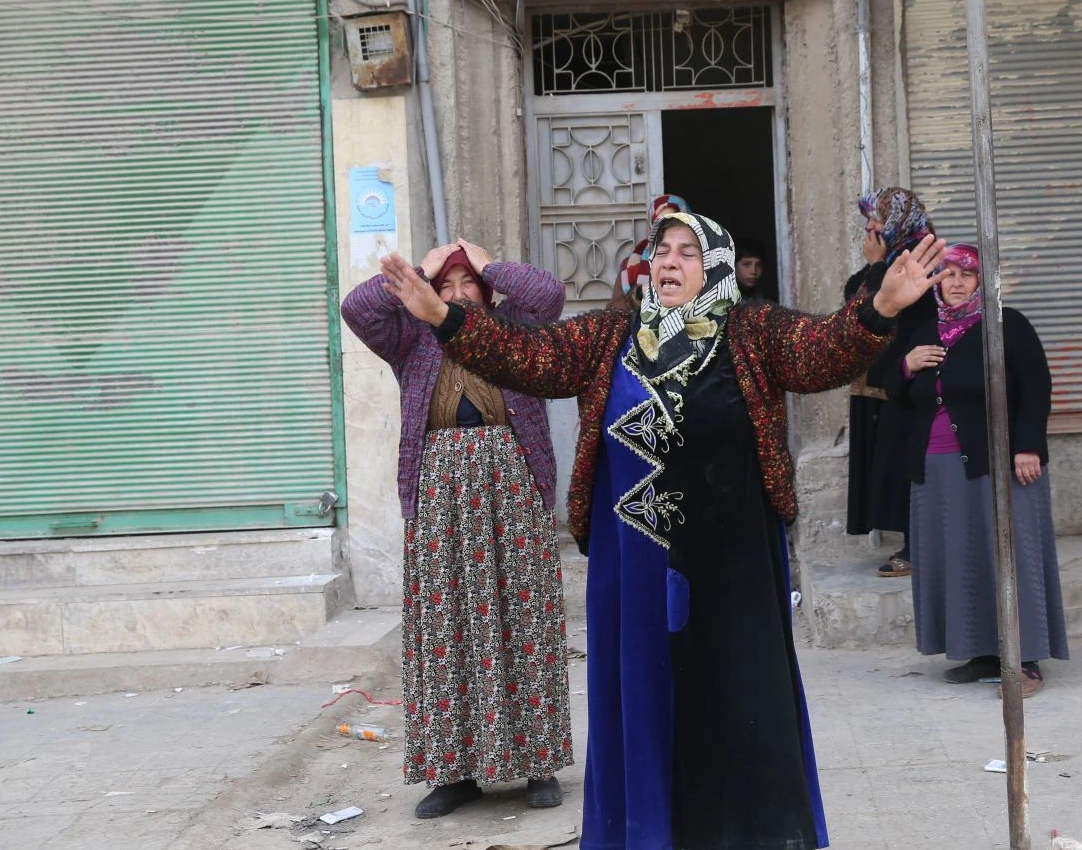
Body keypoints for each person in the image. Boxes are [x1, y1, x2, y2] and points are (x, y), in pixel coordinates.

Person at [377, 212, 948, 850]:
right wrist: (444, 317)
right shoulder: (612, 335)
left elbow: (820, 352)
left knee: (739, 705)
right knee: (644, 703)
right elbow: (527, 356)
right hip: (634, 564)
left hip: (734, 565)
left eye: (687, 252)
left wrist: (877, 310)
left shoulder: (752, 329)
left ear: (717, 266)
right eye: (661, 252)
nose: (670, 263)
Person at [339, 241, 574, 818]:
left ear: (487, 291)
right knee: (445, 628)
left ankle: (537, 763)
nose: (455, 292)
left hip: (513, 485)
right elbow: (356, 308)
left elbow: (549, 293)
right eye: (446, 285)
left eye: (465, 282)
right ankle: (455, 772)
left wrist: (484, 261)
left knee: (525, 621)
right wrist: (421, 272)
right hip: (439, 492)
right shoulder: (409, 339)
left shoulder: (512, 328)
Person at [886, 243, 1067, 697]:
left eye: (965, 274)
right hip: (936, 466)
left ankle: (1025, 661)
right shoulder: (925, 329)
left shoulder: (1008, 326)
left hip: (998, 461)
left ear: (982, 280)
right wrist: (906, 368)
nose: (955, 282)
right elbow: (896, 394)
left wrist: (1028, 447)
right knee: (960, 559)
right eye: (946, 275)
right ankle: (981, 652)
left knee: (1010, 555)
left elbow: (1036, 388)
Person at [845, 186, 934, 577]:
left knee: (909, 460)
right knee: (889, 462)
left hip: (912, 378)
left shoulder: (920, 260)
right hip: (882, 377)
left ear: (898, 222)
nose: (870, 227)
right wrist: (877, 264)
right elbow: (856, 300)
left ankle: (919, 548)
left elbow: (884, 302)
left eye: (877, 219)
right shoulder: (893, 256)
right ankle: (913, 544)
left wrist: (878, 264)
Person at [609, 193, 691, 311]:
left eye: (673, 220)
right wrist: (638, 294)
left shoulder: (702, 259)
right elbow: (613, 311)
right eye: (659, 221)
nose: (665, 227)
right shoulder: (633, 264)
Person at [735, 238, 770, 302]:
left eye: (758, 265)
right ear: (733, 266)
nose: (753, 271)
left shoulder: (761, 299)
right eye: (746, 264)